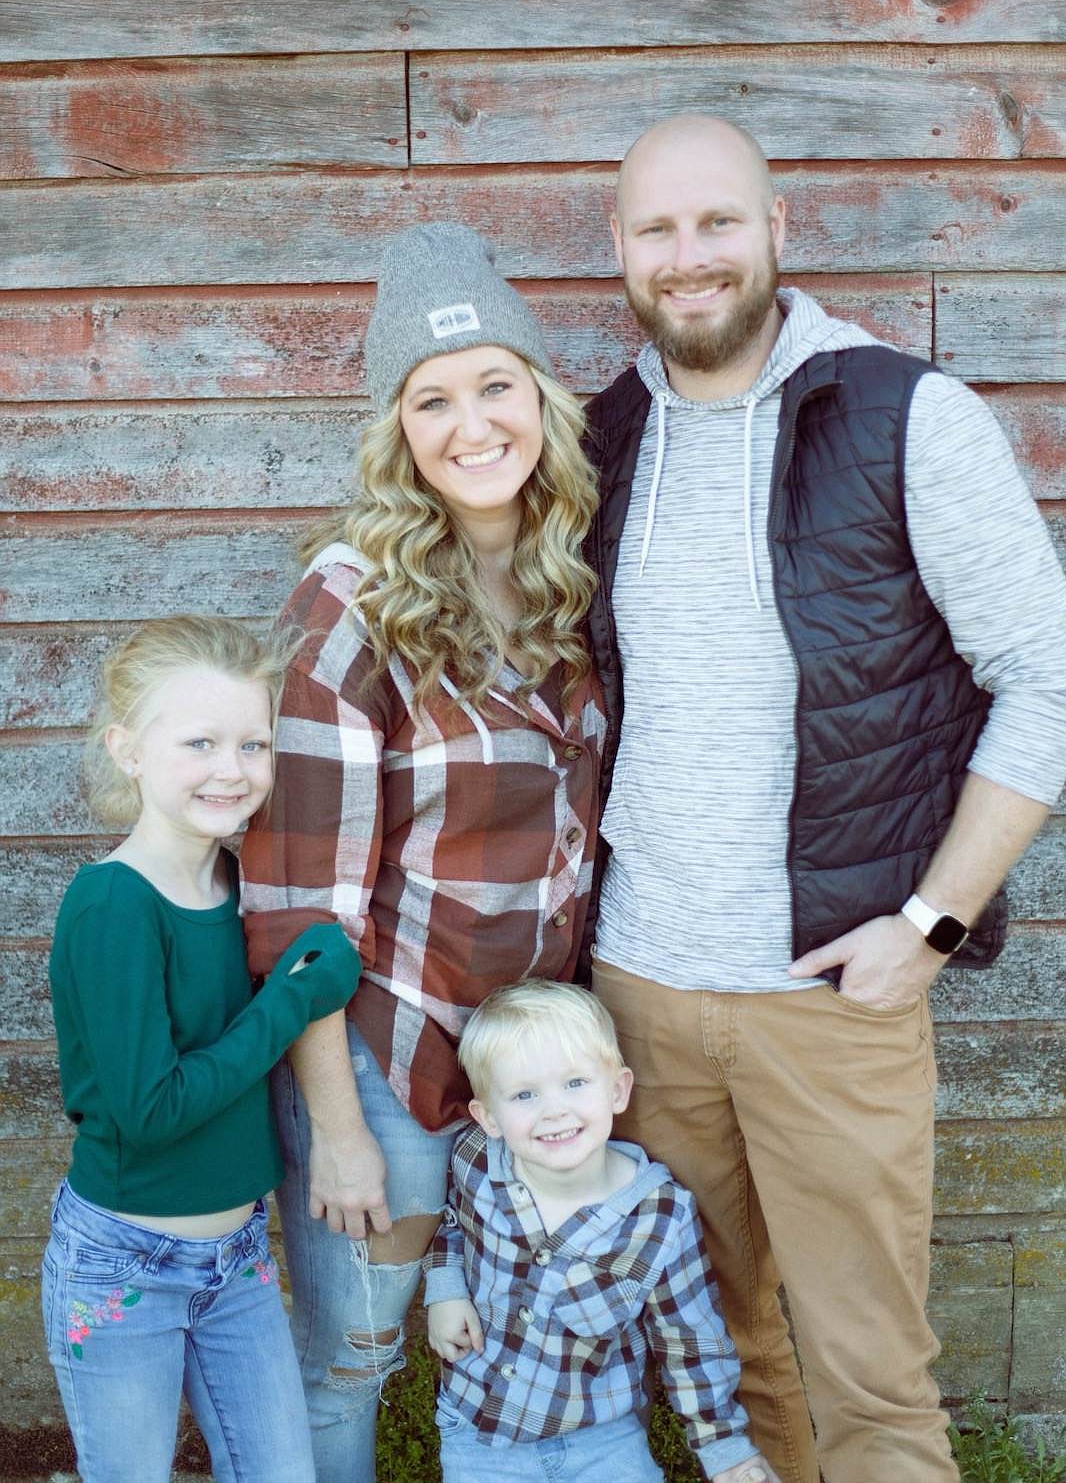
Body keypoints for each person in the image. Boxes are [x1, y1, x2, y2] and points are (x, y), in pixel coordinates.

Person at [582, 114, 1066, 1483]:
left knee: (872, 1383)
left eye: (717, 222)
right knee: (721, 1368)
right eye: (659, 231)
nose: (690, 258)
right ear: (618, 250)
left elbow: (1045, 673)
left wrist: (930, 922)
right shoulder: (600, 441)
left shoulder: (904, 416)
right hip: (639, 1000)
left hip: (830, 995)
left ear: (777, 229)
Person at [239, 221, 605, 1481]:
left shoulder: (569, 591)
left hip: (529, 1079)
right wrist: (337, 1128)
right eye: (431, 398)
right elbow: (295, 909)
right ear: (399, 431)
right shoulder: (351, 610)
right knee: (350, 1356)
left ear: (541, 399)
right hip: (389, 1068)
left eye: (495, 384)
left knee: (500, 1332)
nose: (471, 424)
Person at [43, 615, 362, 1483]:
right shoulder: (113, 905)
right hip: (122, 1269)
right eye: (200, 742)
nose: (232, 769)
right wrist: (294, 1000)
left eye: (253, 744)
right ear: (128, 749)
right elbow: (152, 1113)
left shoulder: (237, 886)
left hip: (238, 1261)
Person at [425, 980, 778, 1483]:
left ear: (618, 1090)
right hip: (479, 1433)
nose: (554, 1110)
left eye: (575, 1084)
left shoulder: (659, 1216)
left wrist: (725, 1450)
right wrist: (445, 1288)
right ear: (489, 1118)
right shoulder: (477, 1162)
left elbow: (689, 1340)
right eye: (524, 1094)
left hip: (602, 1442)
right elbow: (450, 1223)